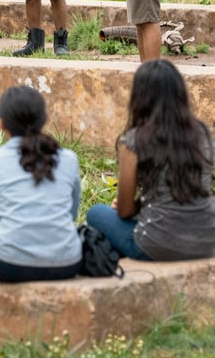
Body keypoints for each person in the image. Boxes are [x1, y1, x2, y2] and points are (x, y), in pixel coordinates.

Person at [86, 60, 215, 261]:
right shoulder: (203, 134)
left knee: (96, 213)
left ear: (140, 98)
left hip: (156, 244)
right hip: (207, 240)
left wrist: (135, 207)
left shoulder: (135, 140)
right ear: (180, 95)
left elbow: (125, 210)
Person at [0, 86, 82, 282]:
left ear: (1, 123)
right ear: (44, 120)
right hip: (66, 264)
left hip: (8, 267)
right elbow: (71, 214)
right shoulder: (69, 159)